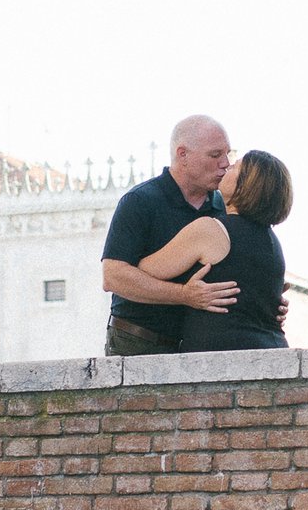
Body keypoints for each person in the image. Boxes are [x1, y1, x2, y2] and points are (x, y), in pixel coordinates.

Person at [99, 115, 239, 356]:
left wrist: (268, 306)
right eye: (215, 155)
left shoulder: (225, 208)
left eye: (229, 154)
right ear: (182, 154)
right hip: (139, 343)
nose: (226, 163)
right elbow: (113, 277)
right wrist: (185, 296)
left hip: (198, 345)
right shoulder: (140, 202)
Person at [144, 150, 292, 353]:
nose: (226, 167)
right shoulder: (272, 242)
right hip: (272, 350)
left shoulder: (211, 230)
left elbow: (145, 270)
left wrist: (185, 291)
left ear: (247, 184)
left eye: (234, 167)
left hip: (220, 357)